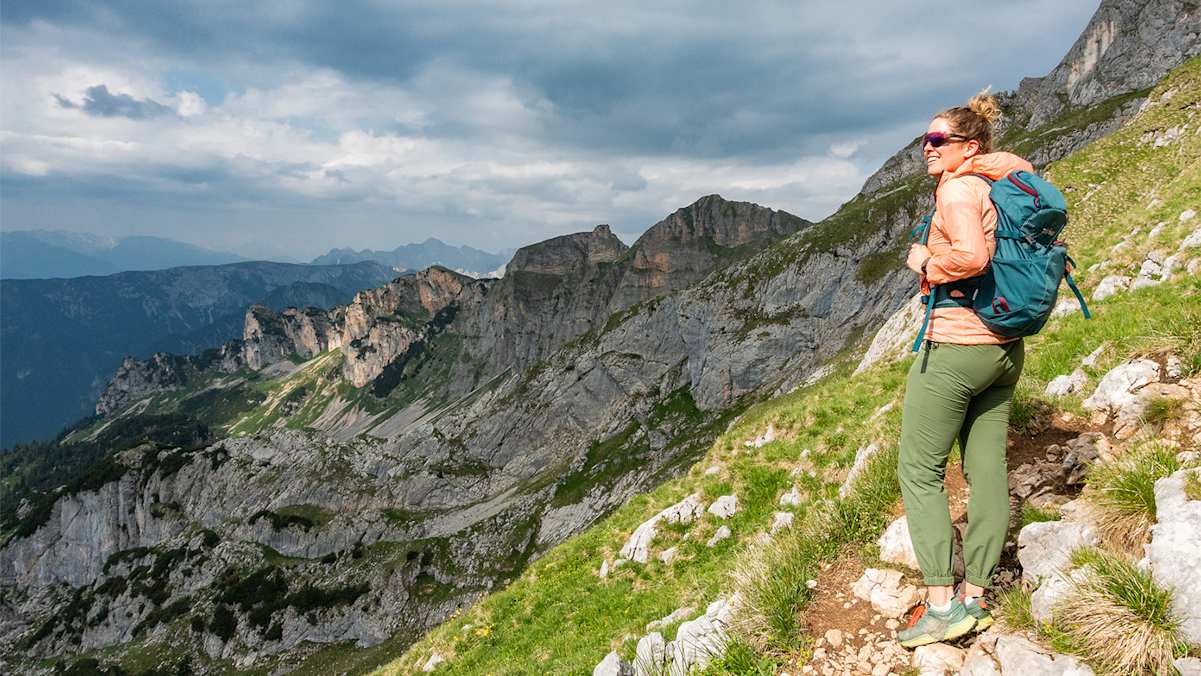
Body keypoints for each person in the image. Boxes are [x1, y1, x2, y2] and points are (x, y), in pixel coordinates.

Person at [895, 91, 1032, 648]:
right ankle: (976, 597)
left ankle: (941, 604)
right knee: (985, 468)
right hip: (1004, 347)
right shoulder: (1001, 186)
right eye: (924, 140)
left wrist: (925, 260)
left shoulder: (956, 189)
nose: (925, 149)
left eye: (936, 141)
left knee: (919, 471)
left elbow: (970, 258)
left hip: (955, 348)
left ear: (968, 146)